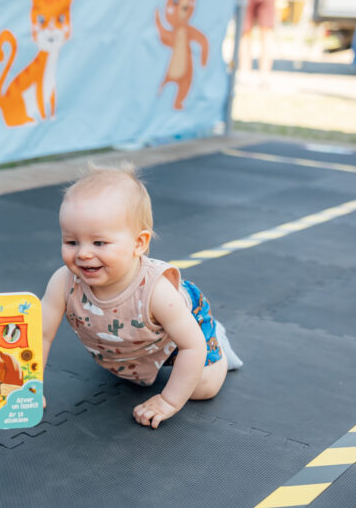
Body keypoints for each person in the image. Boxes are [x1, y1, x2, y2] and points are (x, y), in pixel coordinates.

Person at [40, 165, 241, 430]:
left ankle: (218, 341)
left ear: (139, 243)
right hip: (133, 341)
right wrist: (27, 386)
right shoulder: (62, 281)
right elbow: (39, 335)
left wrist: (168, 401)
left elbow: (192, 347)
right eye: (72, 242)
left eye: (99, 243)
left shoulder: (158, 293)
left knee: (201, 388)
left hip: (177, 329)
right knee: (125, 375)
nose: (84, 254)